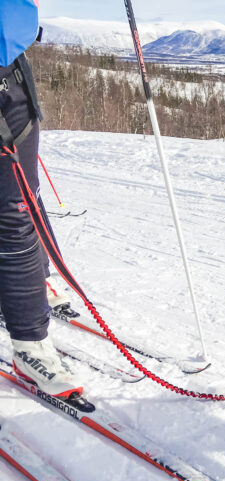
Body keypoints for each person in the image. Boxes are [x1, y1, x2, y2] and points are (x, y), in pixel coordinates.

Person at [1, 0, 84, 400]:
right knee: (11, 215)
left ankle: (35, 280)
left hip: (11, 65)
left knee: (24, 197)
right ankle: (29, 344)